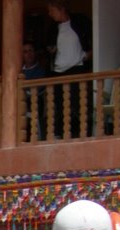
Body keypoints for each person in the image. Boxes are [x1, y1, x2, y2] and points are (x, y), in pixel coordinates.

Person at [47, 0, 92, 139]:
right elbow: (48, 46)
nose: (50, 14)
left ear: (61, 9)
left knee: (77, 103)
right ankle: (59, 134)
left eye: (52, 10)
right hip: (58, 71)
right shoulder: (53, 28)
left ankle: (82, 132)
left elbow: (91, 39)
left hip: (76, 68)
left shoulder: (80, 21)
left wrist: (89, 54)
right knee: (59, 105)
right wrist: (51, 49)